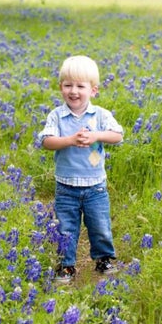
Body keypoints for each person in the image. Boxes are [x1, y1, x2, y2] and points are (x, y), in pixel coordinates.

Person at [37, 55, 123, 283]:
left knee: (100, 225)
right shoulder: (56, 116)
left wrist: (96, 135)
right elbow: (46, 142)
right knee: (66, 228)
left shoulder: (101, 115)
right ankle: (66, 265)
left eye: (80, 86)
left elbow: (117, 136)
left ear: (93, 90)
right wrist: (70, 140)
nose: (73, 91)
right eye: (68, 85)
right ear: (60, 88)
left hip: (95, 186)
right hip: (66, 186)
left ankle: (104, 258)